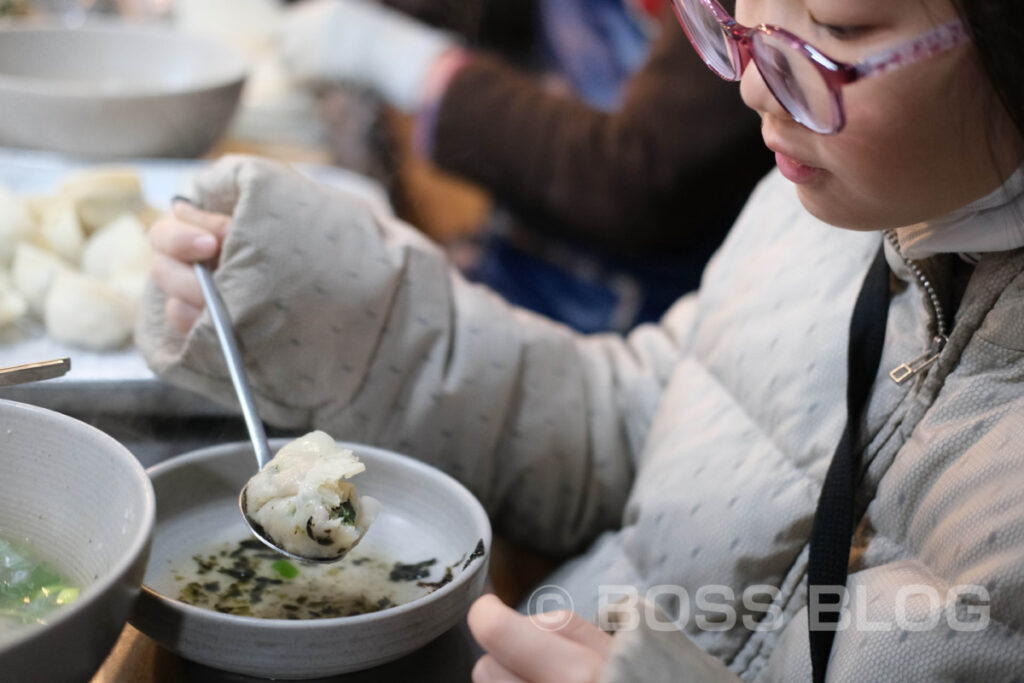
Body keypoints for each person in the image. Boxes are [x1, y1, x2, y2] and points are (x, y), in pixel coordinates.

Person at [138, 0, 1024, 679]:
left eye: (836, 27)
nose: (753, 85)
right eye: (737, 22)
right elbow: (629, 426)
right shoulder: (826, 216)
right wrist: (324, 308)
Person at [277, 0, 773, 333]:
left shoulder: (748, 14)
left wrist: (406, 62)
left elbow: (636, 178)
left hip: (643, 325)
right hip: (520, 262)